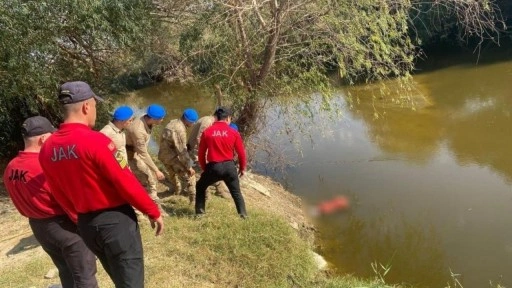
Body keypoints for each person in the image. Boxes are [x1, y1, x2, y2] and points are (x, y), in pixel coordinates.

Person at [39, 81, 164, 288]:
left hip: (87, 225)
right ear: (87, 107)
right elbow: (126, 181)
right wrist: (153, 211)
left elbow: (58, 192)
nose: (95, 111)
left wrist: (77, 217)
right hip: (116, 223)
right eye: (95, 106)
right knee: (131, 281)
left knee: (117, 275)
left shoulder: (47, 148)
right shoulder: (97, 141)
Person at [3, 116, 98, 288]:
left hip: (39, 228)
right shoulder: (44, 164)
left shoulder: (11, 167)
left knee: (65, 270)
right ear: (43, 139)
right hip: (63, 227)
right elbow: (68, 199)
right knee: (85, 275)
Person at [195, 106, 248, 218]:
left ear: (216, 117)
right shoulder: (233, 132)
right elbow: (241, 153)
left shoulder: (207, 132)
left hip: (213, 166)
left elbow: (201, 154)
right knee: (236, 193)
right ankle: (243, 216)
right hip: (230, 167)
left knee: (200, 186)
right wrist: (242, 168)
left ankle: (200, 214)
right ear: (228, 118)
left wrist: (205, 168)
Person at [125, 104, 166, 202]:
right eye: (161, 118)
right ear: (152, 118)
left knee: (145, 178)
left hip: (137, 151)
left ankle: (145, 200)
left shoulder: (146, 119)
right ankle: (152, 204)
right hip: (130, 155)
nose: (162, 120)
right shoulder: (138, 131)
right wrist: (156, 170)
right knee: (149, 180)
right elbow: (142, 154)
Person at [158, 108, 198, 203]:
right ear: (187, 121)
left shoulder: (173, 122)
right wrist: (189, 167)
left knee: (172, 174)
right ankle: (193, 200)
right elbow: (182, 151)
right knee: (190, 176)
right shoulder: (180, 130)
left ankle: (176, 190)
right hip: (171, 157)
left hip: (163, 155)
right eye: (192, 122)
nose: (193, 124)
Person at [187, 114, 231, 199]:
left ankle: (219, 188)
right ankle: (208, 193)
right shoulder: (207, 121)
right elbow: (199, 139)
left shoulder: (210, 121)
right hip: (195, 150)